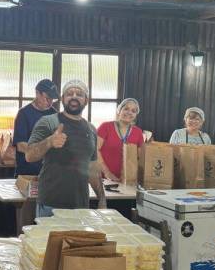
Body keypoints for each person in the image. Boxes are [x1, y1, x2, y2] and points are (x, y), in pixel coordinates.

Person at [26, 79, 106, 217]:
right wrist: (49, 142)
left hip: (81, 206)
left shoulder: (91, 129)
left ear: (86, 100)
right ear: (63, 99)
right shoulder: (49, 122)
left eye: (79, 94)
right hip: (51, 204)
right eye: (69, 93)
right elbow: (29, 155)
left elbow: (92, 169)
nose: (74, 96)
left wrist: (102, 199)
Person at [13, 79, 59, 176]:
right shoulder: (24, 114)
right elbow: (21, 146)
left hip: (48, 172)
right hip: (27, 172)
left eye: (52, 99)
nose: (50, 102)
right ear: (37, 93)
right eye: (47, 98)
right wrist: (42, 150)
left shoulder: (54, 114)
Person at [97, 98, 145, 181]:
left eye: (133, 111)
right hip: (104, 178)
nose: (129, 112)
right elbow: (95, 150)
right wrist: (107, 173)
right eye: (126, 109)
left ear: (135, 115)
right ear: (119, 110)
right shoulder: (105, 127)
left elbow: (140, 157)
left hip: (127, 180)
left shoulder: (138, 132)